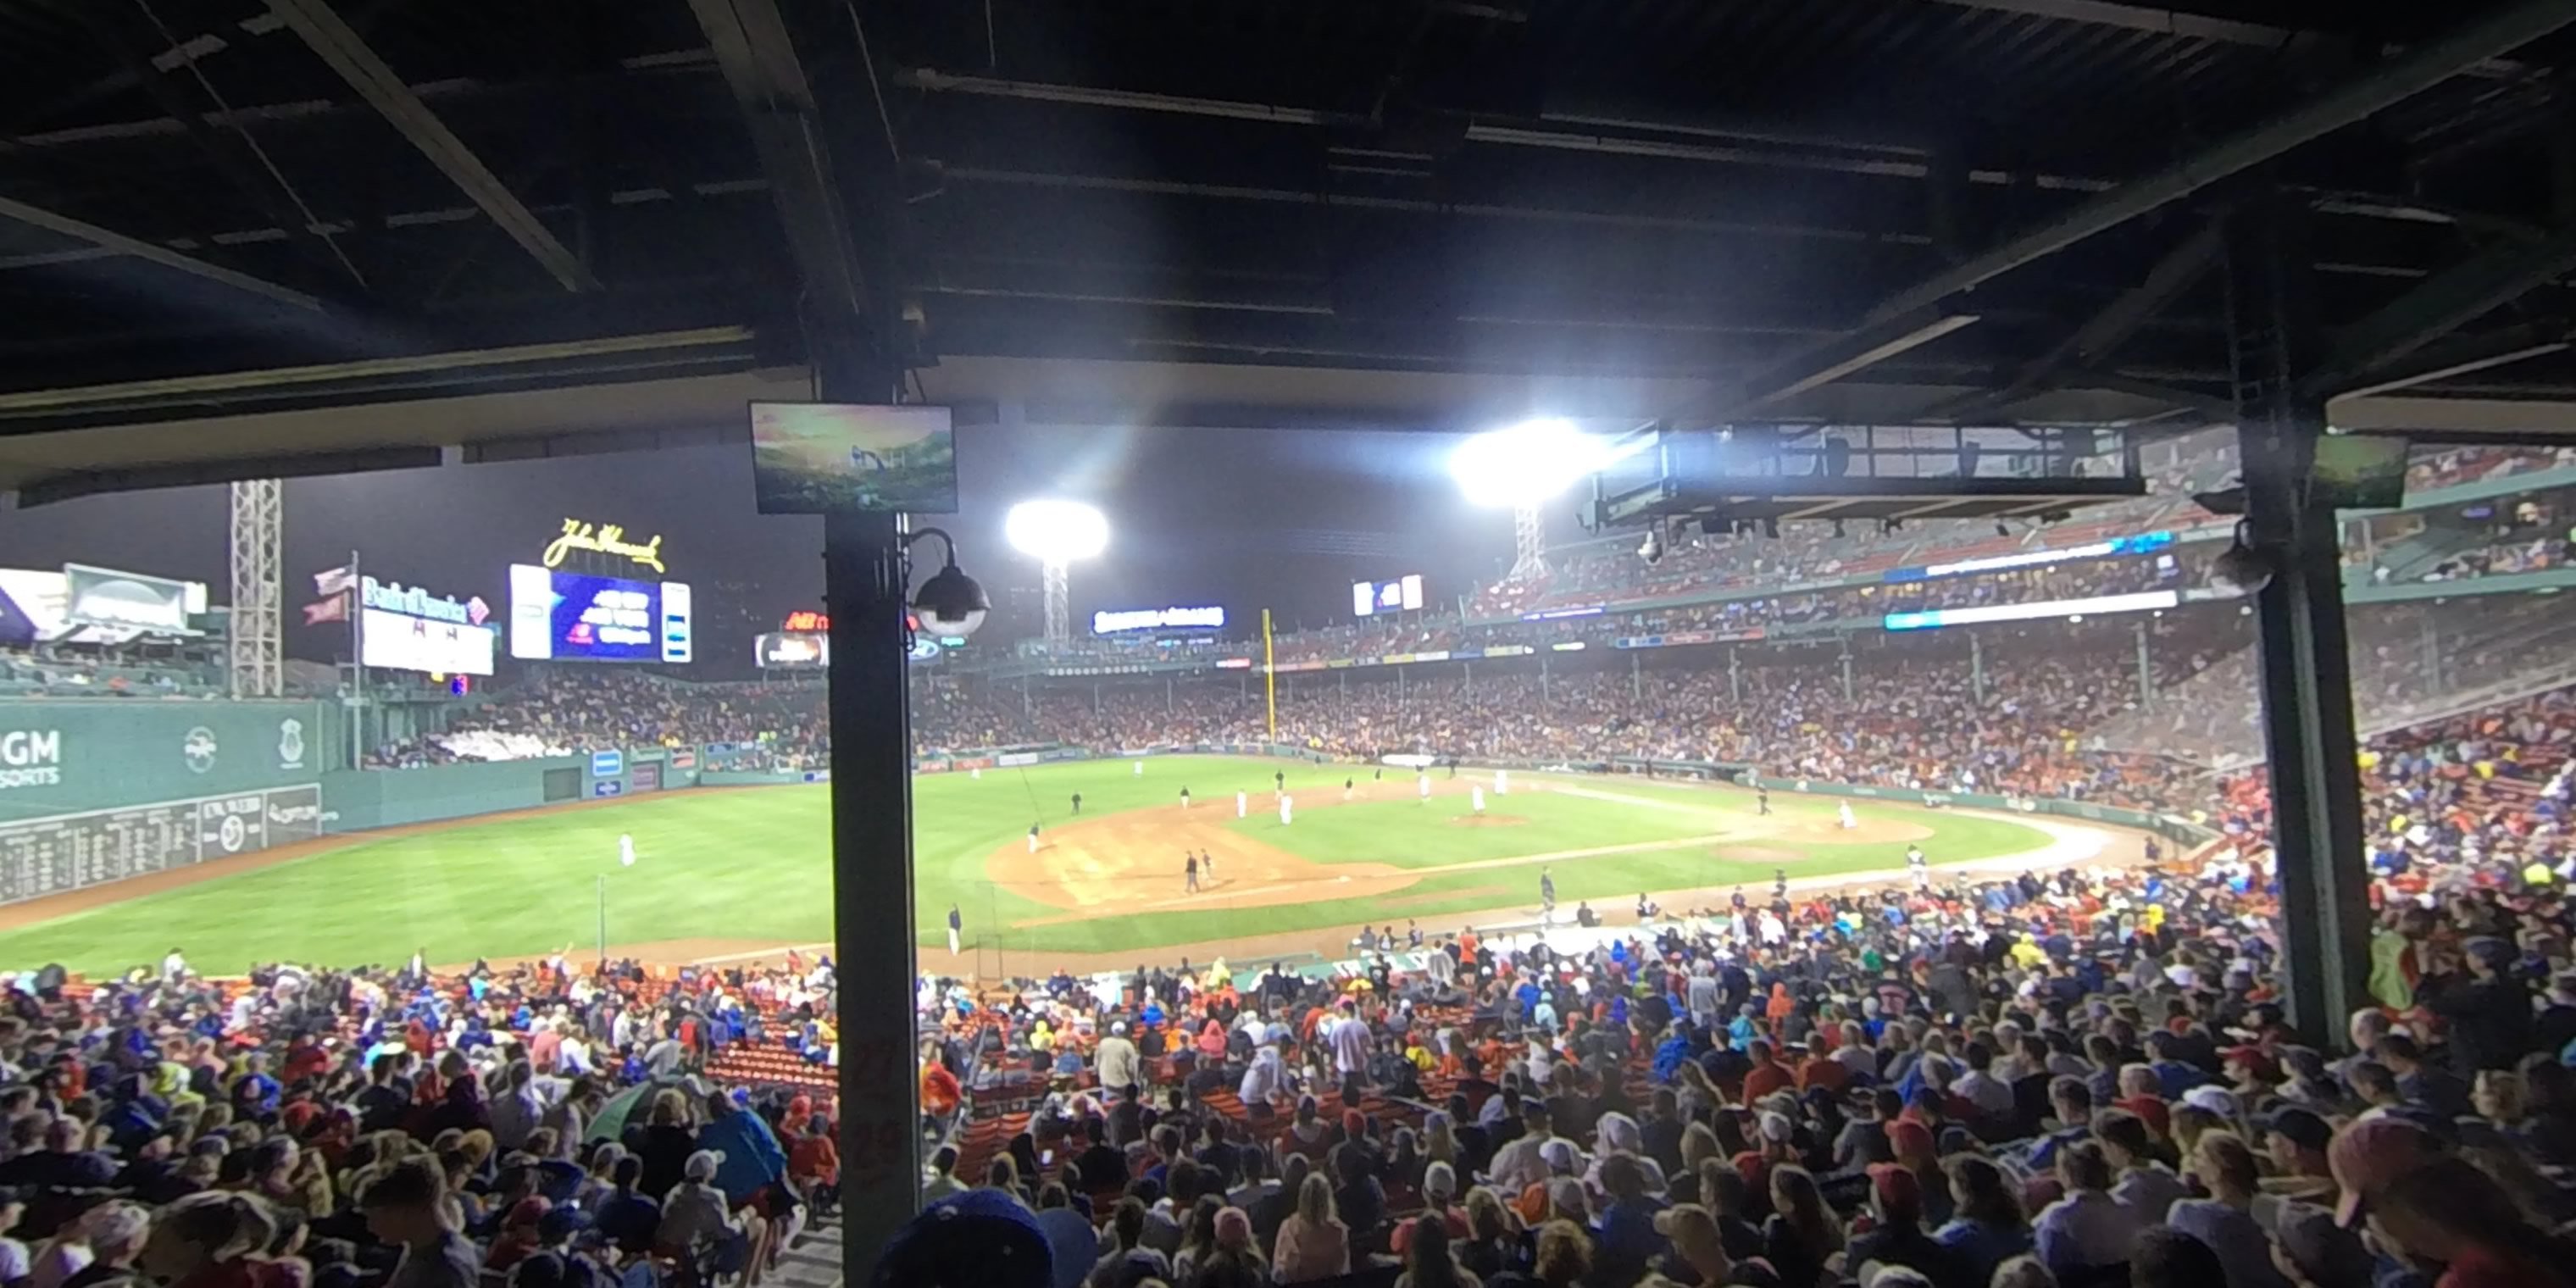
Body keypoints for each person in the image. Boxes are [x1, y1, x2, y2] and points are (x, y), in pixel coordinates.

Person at [2164, 1132, 2287, 1288]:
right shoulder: (2278, 1210)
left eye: (2199, 1156)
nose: (2193, 1163)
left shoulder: (2189, 1213)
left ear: (2218, 1170)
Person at [359, 1158, 480, 1288]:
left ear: (407, 1211)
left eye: (375, 1216)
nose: (370, 1227)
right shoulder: (418, 1248)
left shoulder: (448, 1270)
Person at [1271, 1173, 1348, 1284]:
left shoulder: (1288, 1227)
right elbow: (1342, 1271)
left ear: (1302, 1197)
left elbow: (1279, 1271)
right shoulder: (1339, 1230)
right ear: (1328, 1198)